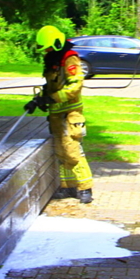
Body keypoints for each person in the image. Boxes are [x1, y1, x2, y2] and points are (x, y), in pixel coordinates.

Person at [25, 25, 93, 203]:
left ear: (56, 43)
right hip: (56, 115)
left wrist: (52, 99)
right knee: (61, 153)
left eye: (48, 47)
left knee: (72, 151)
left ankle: (85, 188)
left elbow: (75, 86)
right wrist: (37, 100)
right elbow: (51, 85)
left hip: (70, 113)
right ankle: (67, 186)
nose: (46, 51)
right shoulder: (51, 59)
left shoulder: (70, 58)